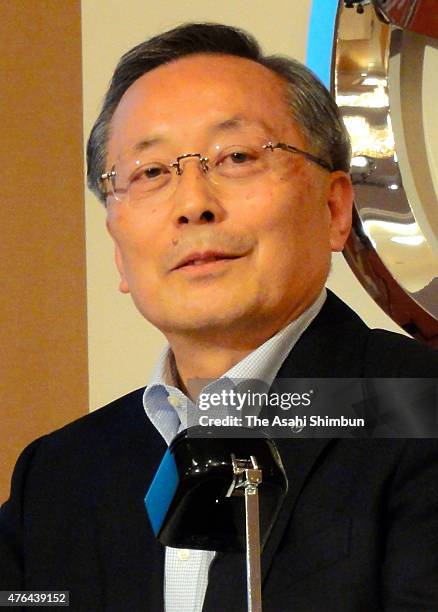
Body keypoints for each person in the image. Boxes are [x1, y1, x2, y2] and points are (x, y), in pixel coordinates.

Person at [2, 22, 438, 612]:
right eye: (151, 172)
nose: (193, 204)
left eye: (236, 157)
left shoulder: (419, 410)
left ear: (335, 209)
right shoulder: (58, 477)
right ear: (118, 253)